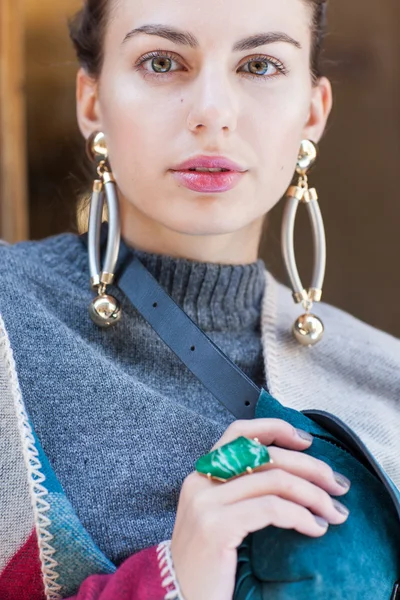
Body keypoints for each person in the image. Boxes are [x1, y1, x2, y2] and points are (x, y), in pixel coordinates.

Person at [0, 0, 399, 599]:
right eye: (162, 62)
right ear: (92, 101)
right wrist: (174, 578)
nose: (213, 113)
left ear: (312, 112)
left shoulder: (384, 377)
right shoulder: (10, 317)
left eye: (260, 66)